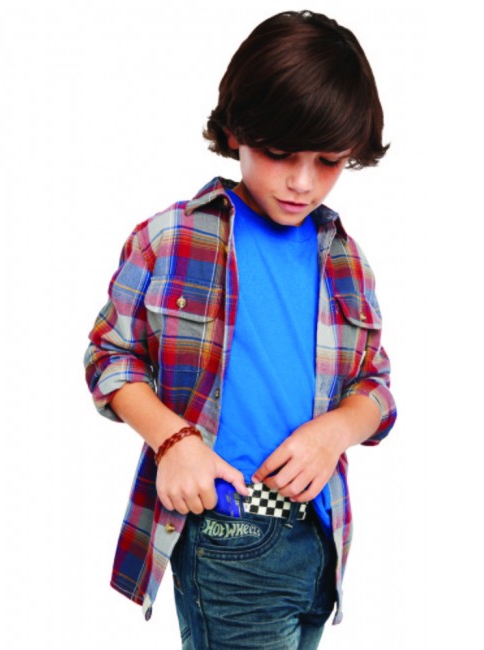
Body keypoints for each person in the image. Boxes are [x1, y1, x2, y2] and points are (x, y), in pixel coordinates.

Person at [84, 10, 397, 649]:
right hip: (228, 535)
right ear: (235, 131)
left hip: (321, 541)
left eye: (329, 161)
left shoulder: (344, 258)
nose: (302, 181)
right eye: (280, 153)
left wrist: (335, 432)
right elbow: (109, 356)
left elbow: (376, 386)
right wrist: (174, 441)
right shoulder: (172, 238)